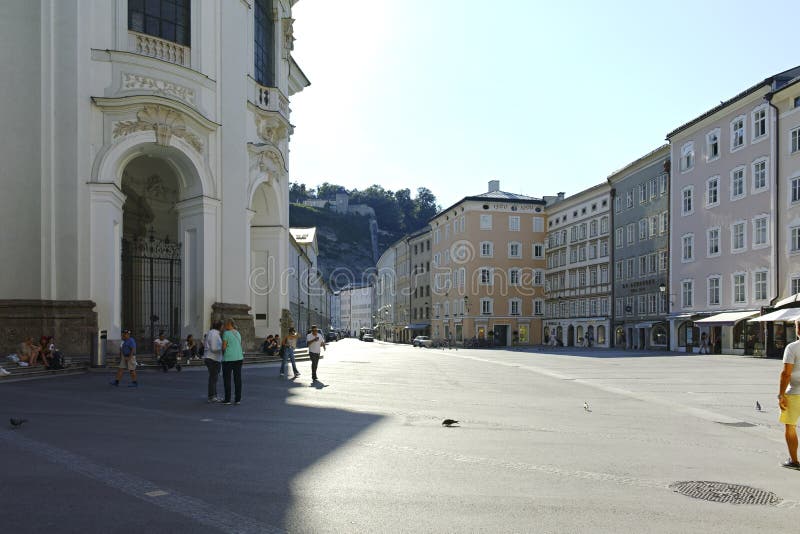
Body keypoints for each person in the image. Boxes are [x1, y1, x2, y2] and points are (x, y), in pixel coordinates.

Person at [779, 321, 800, 469]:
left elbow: (786, 373)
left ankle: (794, 461)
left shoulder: (792, 348)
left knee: (790, 427)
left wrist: (781, 395)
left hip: (795, 393)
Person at [221, 319, 244, 405]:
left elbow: (224, 347)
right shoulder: (237, 333)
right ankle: (238, 399)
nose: (224, 326)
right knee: (237, 379)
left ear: (228, 324)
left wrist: (223, 353)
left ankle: (227, 399)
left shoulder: (226, 333)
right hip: (239, 358)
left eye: (225, 324)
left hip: (228, 359)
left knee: (227, 379)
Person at [203, 321, 223, 403]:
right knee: (213, 378)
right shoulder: (215, 334)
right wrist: (223, 348)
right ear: (220, 326)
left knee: (213, 378)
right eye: (222, 326)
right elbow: (214, 348)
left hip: (210, 357)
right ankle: (212, 396)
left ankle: (213, 395)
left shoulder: (211, 332)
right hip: (213, 358)